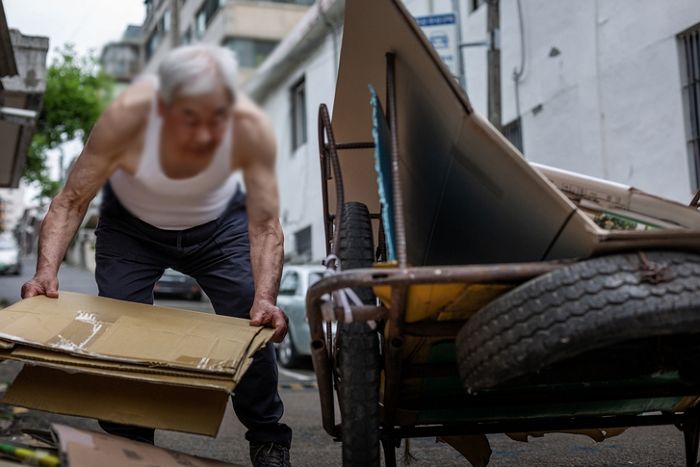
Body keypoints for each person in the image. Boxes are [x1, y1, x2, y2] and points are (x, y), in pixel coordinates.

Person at [21, 44, 292, 467]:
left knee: (249, 314)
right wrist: (45, 273)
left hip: (218, 228)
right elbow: (70, 202)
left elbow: (265, 226)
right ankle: (131, 446)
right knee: (120, 322)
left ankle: (268, 437)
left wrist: (265, 298)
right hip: (132, 231)